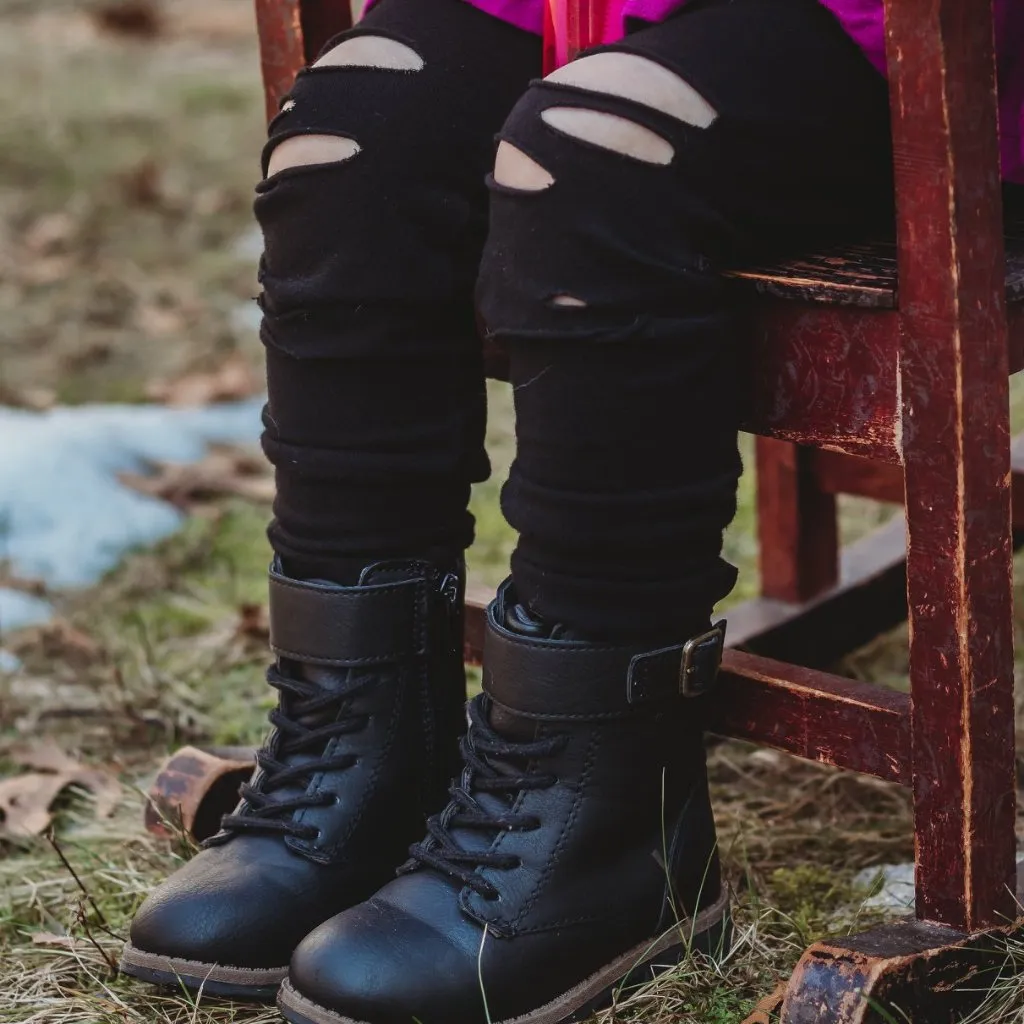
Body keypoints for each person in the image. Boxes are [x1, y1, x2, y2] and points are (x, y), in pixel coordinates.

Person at [119, 1, 1024, 1022]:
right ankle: (360, 750)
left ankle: (600, 823)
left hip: (877, 34)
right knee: (344, 140)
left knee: (593, 152)